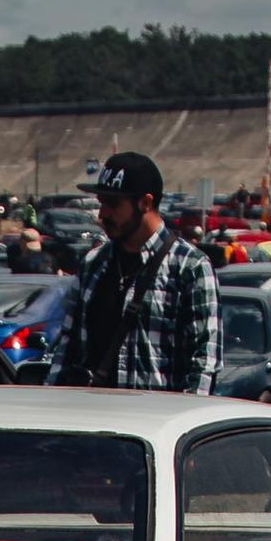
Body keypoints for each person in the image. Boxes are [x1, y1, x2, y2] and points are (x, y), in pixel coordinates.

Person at [52, 150, 223, 394]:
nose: (102, 214)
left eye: (113, 204)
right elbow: (66, 349)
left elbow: (204, 363)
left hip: (154, 424)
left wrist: (181, 423)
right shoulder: (93, 264)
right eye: (101, 203)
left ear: (145, 203)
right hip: (91, 420)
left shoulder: (190, 267)